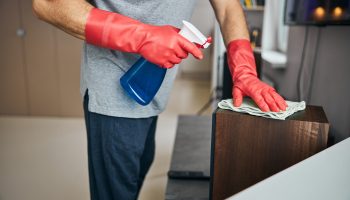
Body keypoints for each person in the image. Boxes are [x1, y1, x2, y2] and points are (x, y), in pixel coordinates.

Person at [32, 0, 287, 199]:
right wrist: (143, 37)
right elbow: (48, 5)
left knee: (139, 170)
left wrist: (244, 69)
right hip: (113, 89)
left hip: (152, 89)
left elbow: (228, 7)